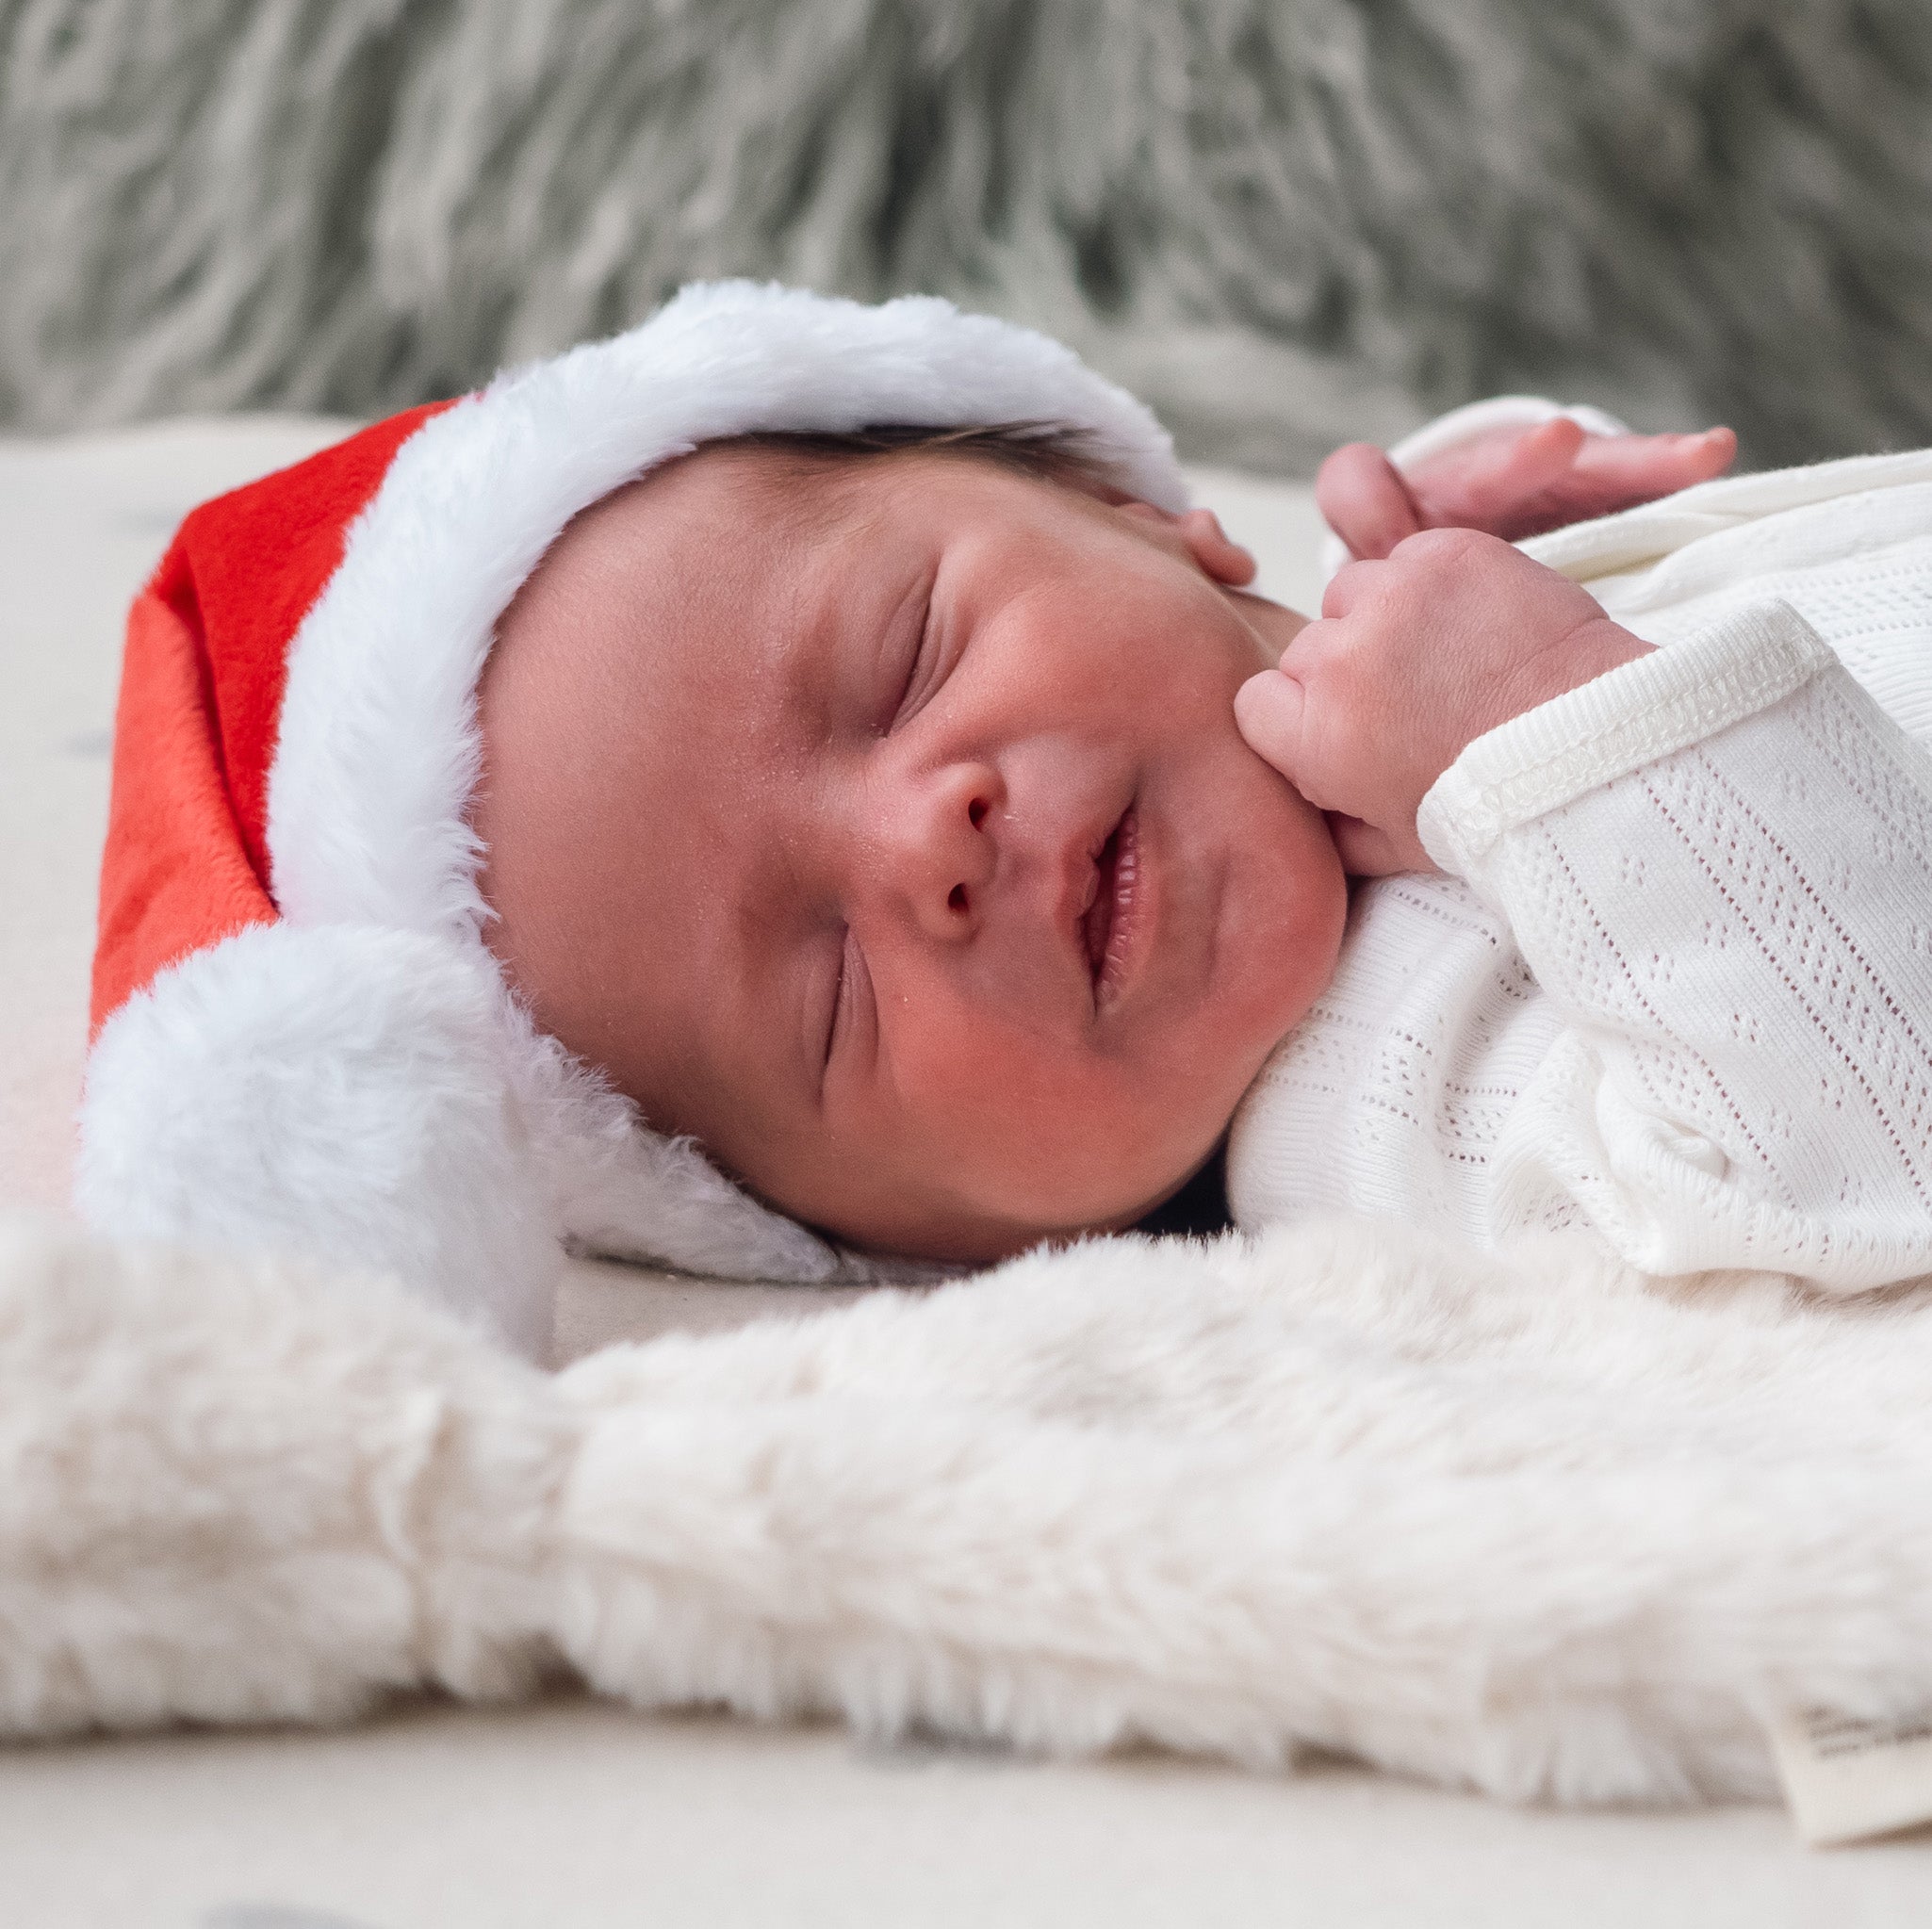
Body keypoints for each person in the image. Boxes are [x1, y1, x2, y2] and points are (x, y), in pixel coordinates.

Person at [78, 285, 1932, 1356]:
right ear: (917, 1240)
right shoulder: (1371, 1104)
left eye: (903, 656)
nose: (923, 846)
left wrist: (1487, 579)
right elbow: (1855, 1136)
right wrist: (1554, 715)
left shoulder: (1355, 696)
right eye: (826, 1000)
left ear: (1160, 519)